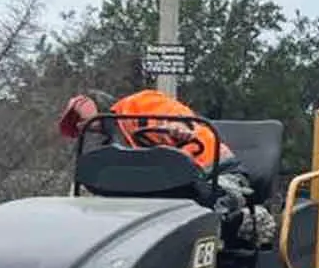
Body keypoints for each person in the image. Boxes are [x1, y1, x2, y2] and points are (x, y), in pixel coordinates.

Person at [57, 89, 275, 247]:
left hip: (218, 173)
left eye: (81, 121)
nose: (82, 128)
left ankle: (241, 223)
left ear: (93, 108)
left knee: (202, 213)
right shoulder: (115, 141)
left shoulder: (137, 105)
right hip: (173, 185)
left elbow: (175, 117)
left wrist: (177, 128)